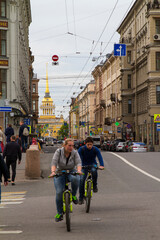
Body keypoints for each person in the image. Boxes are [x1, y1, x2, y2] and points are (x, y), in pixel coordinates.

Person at [50, 138, 82, 222]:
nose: (71, 147)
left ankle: (74, 195)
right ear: (64, 145)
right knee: (59, 192)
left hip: (71, 171)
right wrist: (53, 172)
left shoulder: (74, 152)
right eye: (69, 145)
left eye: (72, 146)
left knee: (76, 178)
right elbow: (54, 162)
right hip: (60, 172)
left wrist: (78, 170)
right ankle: (59, 213)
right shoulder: (59, 152)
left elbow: (78, 162)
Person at [78, 136, 104, 204]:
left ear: (93, 144)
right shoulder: (81, 149)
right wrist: (78, 167)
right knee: (81, 179)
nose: (89, 146)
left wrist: (101, 165)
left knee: (94, 171)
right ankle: (81, 197)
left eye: (91, 144)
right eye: (88, 144)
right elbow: (78, 159)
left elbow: (100, 158)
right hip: (83, 165)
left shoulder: (95, 149)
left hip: (93, 164)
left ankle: (95, 185)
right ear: (85, 144)